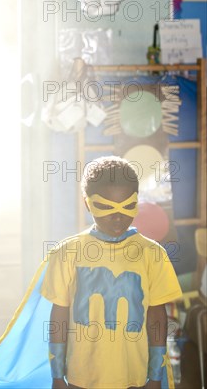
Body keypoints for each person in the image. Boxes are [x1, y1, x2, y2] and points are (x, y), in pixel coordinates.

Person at [40, 155, 182, 389]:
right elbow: (59, 318)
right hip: (81, 377)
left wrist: (155, 375)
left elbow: (157, 317)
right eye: (105, 207)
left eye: (128, 206)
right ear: (88, 203)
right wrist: (57, 375)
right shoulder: (67, 253)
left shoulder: (152, 254)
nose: (118, 216)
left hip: (133, 376)